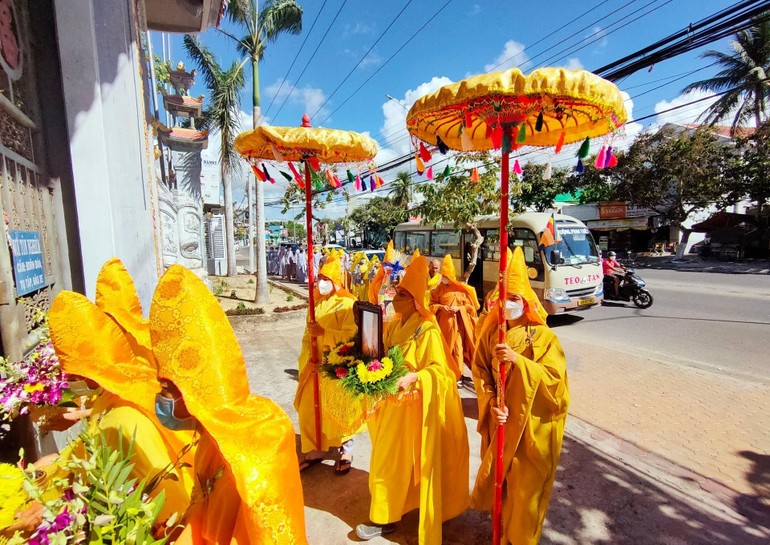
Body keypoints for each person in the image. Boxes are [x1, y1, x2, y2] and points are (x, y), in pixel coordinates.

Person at [150, 265, 308, 544]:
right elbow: (203, 512)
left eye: (166, 389)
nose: (161, 399)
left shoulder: (255, 439)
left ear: (194, 392)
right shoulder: (211, 433)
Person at [48, 258, 195, 525]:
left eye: (74, 372)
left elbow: (169, 498)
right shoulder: (115, 388)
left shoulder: (130, 409)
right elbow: (108, 412)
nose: (70, 379)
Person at [356, 255, 469, 544]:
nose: (396, 298)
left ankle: (384, 518)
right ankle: (396, 509)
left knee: (390, 463)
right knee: (392, 462)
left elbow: (442, 372)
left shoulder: (426, 329)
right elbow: (381, 349)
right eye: (397, 293)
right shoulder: (396, 323)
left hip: (413, 407)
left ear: (415, 299)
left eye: (403, 295)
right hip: (390, 403)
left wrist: (415, 377)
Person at [470, 247, 569, 545]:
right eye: (504, 298)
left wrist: (518, 360)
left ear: (527, 303)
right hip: (501, 422)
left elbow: (556, 386)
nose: (508, 304)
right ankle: (501, 535)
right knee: (503, 485)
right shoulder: (490, 334)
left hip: (531, 428)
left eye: (515, 299)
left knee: (527, 492)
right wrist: (491, 405)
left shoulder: (544, 338)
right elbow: (480, 374)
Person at [295, 250, 364, 474]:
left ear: (336, 281)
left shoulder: (347, 303)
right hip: (314, 366)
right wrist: (310, 360)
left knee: (340, 409)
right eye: (320, 279)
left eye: (327, 280)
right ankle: (317, 447)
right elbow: (308, 337)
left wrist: (324, 333)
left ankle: (346, 449)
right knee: (311, 408)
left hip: (337, 365)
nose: (322, 283)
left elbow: (352, 335)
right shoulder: (316, 303)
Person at [429, 254, 480, 379]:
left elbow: (471, 308)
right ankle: (445, 372)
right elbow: (431, 304)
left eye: (446, 277)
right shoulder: (438, 289)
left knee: (457, 349)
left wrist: (459, 308)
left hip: (457, 326)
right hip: (443, 325)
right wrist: (441, 307)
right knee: (444, 349)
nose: (444, 279)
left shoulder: (460, 290)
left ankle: (459, 375)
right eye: (443, 276)